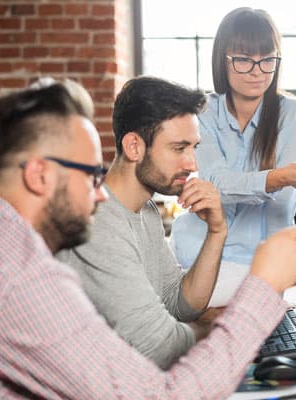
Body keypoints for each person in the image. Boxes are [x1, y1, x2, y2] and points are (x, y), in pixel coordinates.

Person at [0, 78, 296, 399]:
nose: (98, 193)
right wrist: (258, 294)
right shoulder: (20, 275)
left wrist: (217, 232)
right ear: (38, 176)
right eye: (88, 174)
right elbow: (161, 384)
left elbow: (177, 305)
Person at [55, 76, 228, 369]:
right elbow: (160, 348)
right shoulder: (98, 221)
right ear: (134, 146)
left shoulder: (145, 210)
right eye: (178, 148)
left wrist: (217, 231)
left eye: (193, 148)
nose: (192, 164)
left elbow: (180, 304)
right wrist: (238, 323)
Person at [171, 7, 296, 273]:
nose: (257, 71)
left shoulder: (294, 113)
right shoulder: (203, 111)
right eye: (244, 60)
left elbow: (281, 204)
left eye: (268, 59)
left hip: (265, 260)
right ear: (223, 60)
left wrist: (246, 187)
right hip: (198, 252)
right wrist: (278, 178)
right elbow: (215, 183)